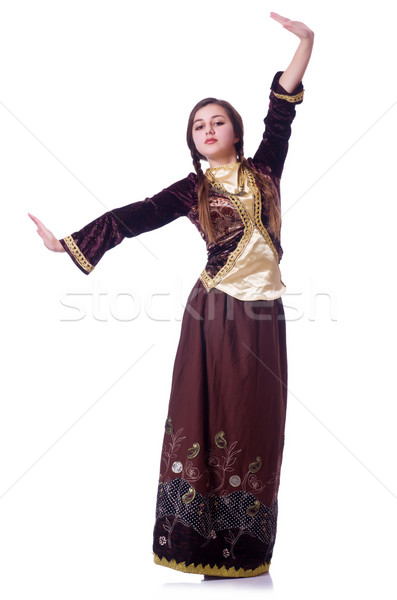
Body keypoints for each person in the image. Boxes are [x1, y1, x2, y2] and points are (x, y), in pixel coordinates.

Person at [29, 12, 314, 578]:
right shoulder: (192, 190)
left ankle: (247, 550)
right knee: (206, 413)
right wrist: (70, 244)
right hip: (214, 312)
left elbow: (281, 108)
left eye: (217, 122)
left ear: (235, 130)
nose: (208, 130)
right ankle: (198, 543)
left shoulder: (265, 171)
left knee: (258, 416)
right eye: (198, 126)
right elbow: (134, 216)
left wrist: (308, 42)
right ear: (193, 141)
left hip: (265, 314)